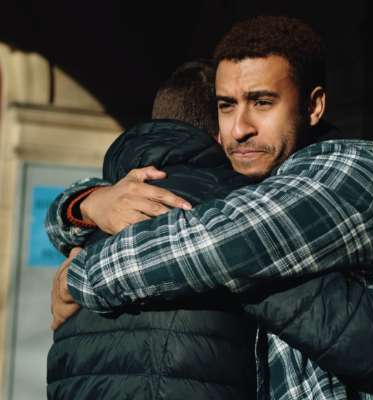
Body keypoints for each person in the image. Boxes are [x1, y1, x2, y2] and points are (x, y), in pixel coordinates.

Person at [47, 16, 373, 399]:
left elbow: (215, 245)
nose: (239, 128)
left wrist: (79, 276)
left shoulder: (346, 172)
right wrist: (88, 203)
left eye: (262, 102)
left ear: (314, 106)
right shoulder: (248, 183)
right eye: (226, 106)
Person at [47, 61, 257, 400]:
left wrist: (88, 205)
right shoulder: (243, 205)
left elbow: (58, 220)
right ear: (221, 130)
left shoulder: (103, 212)